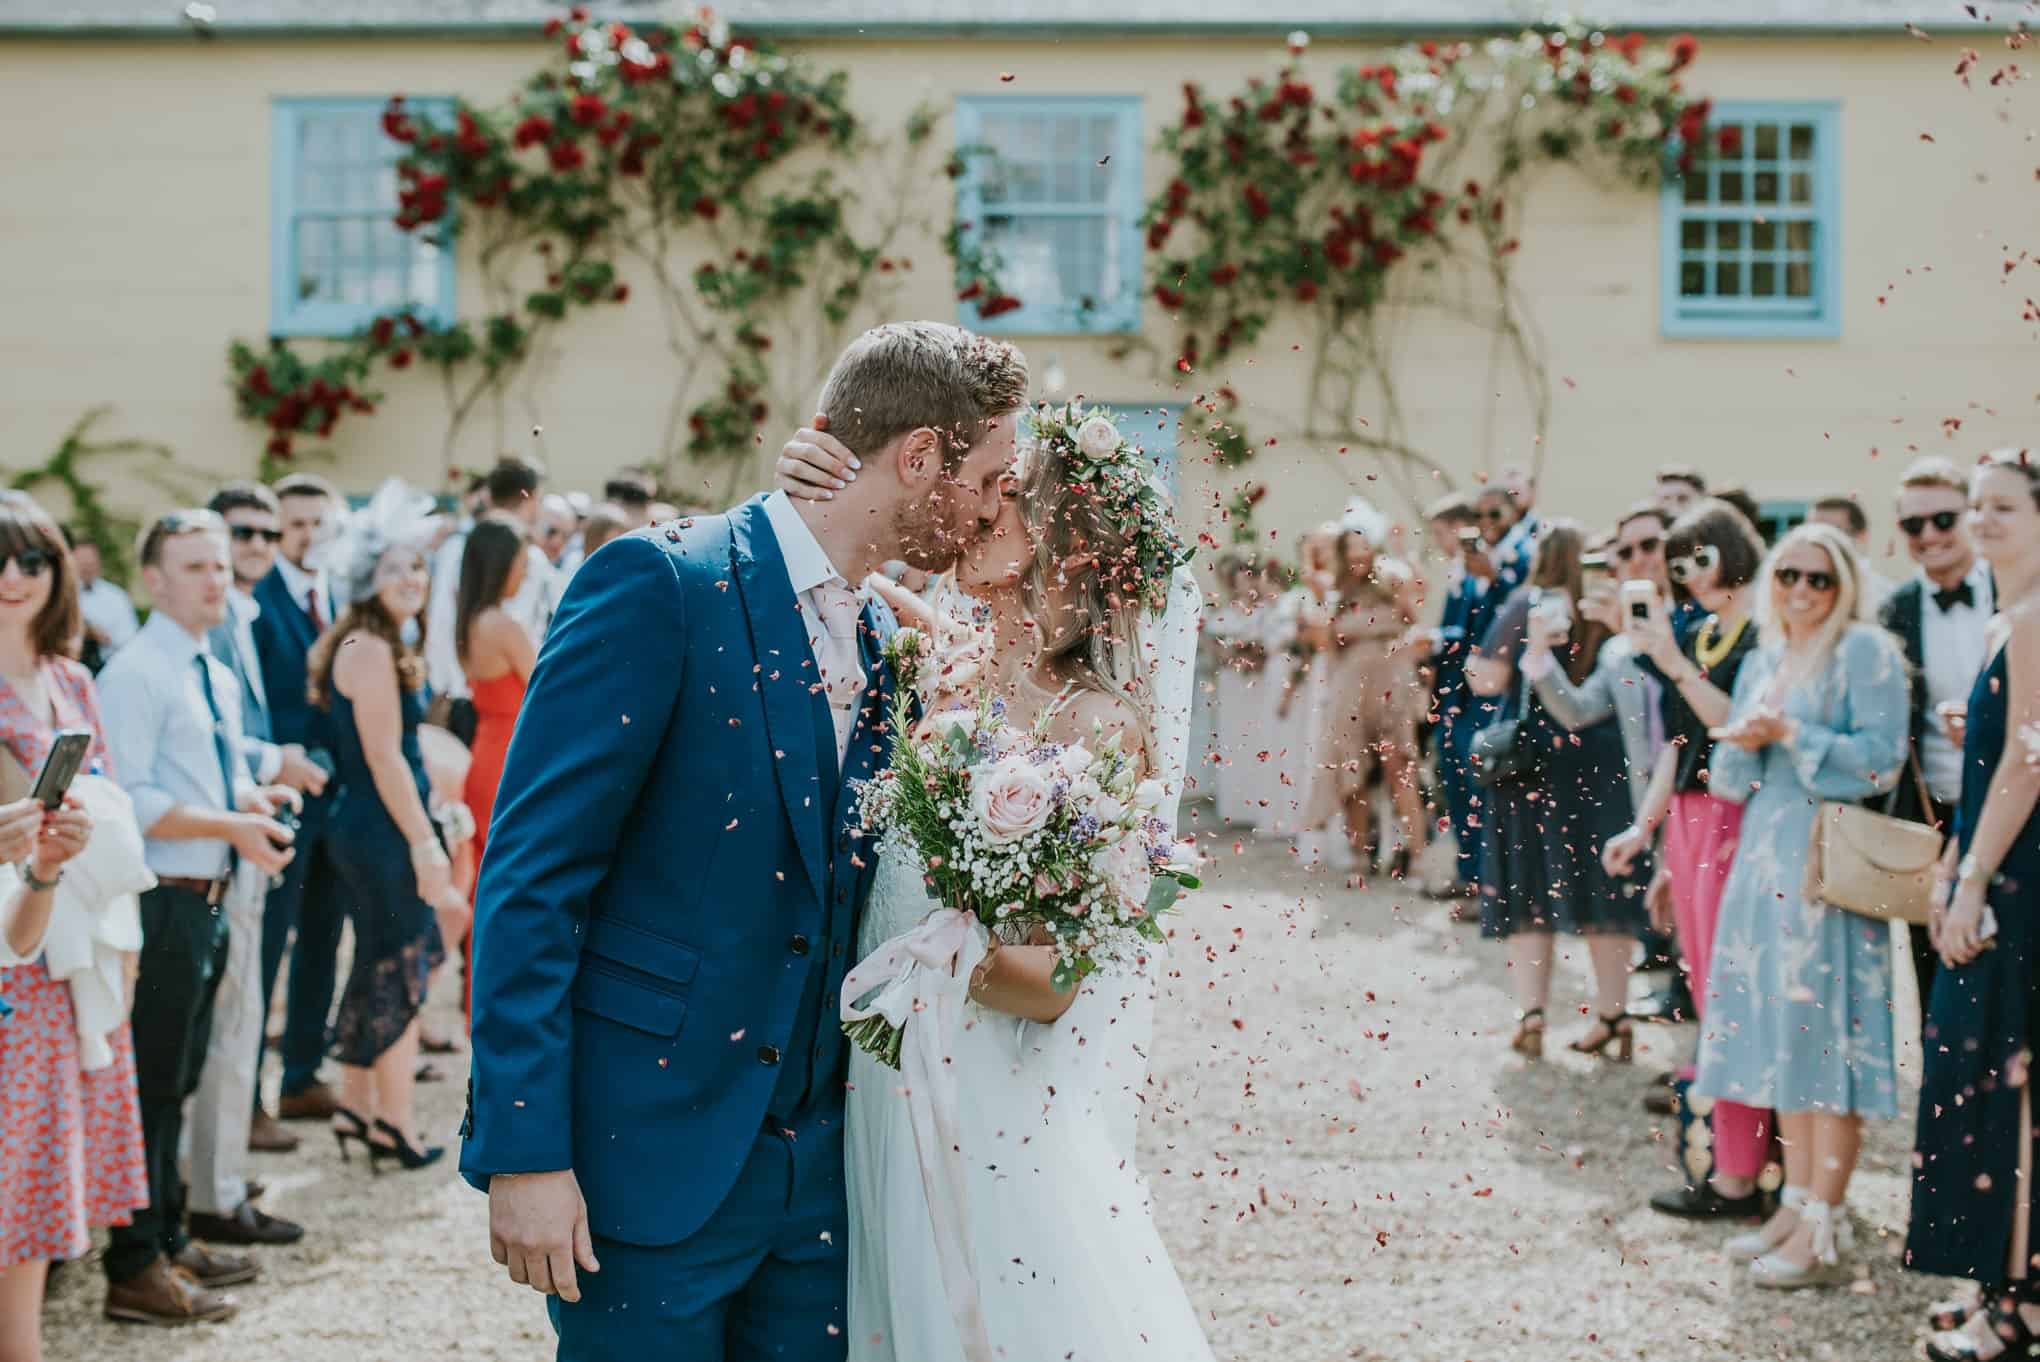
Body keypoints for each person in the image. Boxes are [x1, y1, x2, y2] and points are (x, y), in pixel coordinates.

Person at [464, 322, 1024, 1357]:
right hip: (649, 1159)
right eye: (987, 479)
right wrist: (523, 1150)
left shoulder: (891, 638)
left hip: (821, 1190)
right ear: (919, 457)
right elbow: (532, 878)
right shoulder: (660, 584)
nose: (995, 507)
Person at [775, 398, 1215, 1360]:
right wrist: (816, 471)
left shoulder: (1096, 726)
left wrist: (938, 959)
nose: (972, 507)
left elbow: (1058, 985)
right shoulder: (946, 666)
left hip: (980, 1097)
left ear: (1062, 539)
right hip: (883, 1071)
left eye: (1003, 493)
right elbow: (822, 559)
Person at [97, 509, 299, 1325]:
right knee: (150, 1085)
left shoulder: (207, 668)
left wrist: (251, 799)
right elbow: (130, 799)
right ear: (152, 579)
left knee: (179, 1080)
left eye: (219, 565)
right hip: (161, 902)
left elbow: (204, 774)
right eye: (195, 567)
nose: (217, 579)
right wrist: (232, 825)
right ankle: (133, 1265)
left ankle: (172, 1238)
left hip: (207, 898)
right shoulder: (136, 672)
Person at [1694, 522, 1908, 1289]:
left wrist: (1794, 731)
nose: (1802, 591)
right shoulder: (1764, 655)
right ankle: (1793, 1206)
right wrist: (1748, 740)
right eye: (1788, 575)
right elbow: (1728, 778)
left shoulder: (1865, 651)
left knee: (1827, 1048)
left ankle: (1824, 1222)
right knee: (1782, 1040)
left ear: (1845, 584)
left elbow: (1881, 762)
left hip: (1828, 865)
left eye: (1819, 578)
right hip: (1765, 857)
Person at [0, 496, 148, 1355]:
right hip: (14, 956)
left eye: (31, 560)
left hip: (79, 944)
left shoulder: (72, 678)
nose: (12, 578)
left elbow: (115, 802)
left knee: (37, 1177)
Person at [1602, 499, 1775, 1219]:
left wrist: (1672, 664)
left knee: (1739, 989)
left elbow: (1734, 727)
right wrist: (1645, 831)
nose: (1689, 575)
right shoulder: (1699, 633)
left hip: (1741, 818)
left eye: (1699, 558)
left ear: (1732, 551)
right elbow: (1678, 746)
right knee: (1707, 988)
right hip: (1688, 820)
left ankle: (1749, 1171)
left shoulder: (1762, 635)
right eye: (1678, 566)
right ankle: (1731, 1163)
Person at [1904, 452, 2040, 1361]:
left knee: (2009, 1084)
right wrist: (1951, 863)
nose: (1983, 520)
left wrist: (1974, 881)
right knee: (1980, 1074)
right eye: (1977, 505)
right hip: (1994, 858)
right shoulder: (2006, 619)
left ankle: (2022, 1305)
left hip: (2021, 884)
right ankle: (1998, 1276)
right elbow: (1998, 761)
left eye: (2004, 507)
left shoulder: (2032, 620)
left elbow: (2030, 768)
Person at [308, 483, 466, 1173]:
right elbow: (383, 757)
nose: (412, 578)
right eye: (395, 567)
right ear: (366, 577)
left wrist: (438, 811)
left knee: (377, 962)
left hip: (375, 823)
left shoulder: (375, 640)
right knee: (403, 965)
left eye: (419, 567)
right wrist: (425, 841)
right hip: (380, 830)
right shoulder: (370, 647)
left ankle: (355, 1107)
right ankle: (393, 1124)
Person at [179, 483, 322, 1247]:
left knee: (241, 1021)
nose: (259, 545)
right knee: (224, 1027)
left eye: (269, 533)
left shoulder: (242, 613)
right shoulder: (203, 628)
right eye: (245, 533)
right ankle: (208, 1190)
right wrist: (272, 764)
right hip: (211, 850)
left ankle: (219, 1176)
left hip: (252, 828)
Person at [1469, 521, 1646, 1059]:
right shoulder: (1613, 609)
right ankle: (1615, 1016)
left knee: (1530, 889)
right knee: (1604, 891)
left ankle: (1532, 1013)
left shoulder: (1528, 604)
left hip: (1535, 764)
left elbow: (1487, 679)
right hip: (1603, 761)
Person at [1879, 456, 1993, 1026]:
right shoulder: (1892, 609)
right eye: (1912, 524)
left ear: (1971, 516)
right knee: (1933, 971)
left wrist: (1989, 724)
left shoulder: (2017, 593)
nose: (1928, 535)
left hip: (2013, 806)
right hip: (1929, 816)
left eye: (1943, 519)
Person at [250, 472, 346, 1127]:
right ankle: (248, 1097)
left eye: (318, 523)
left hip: (335, 800)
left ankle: (302, 1075)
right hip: (282, 794)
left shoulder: (339, 594)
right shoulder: (257, 603)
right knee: (267, 945)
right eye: (296, 525)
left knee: (323, 937)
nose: (308, 536)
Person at [1296, 502, 1427, 885]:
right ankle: (1360, 857)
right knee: (1351, 773)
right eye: (1350, 550)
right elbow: (1323, 642)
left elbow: (1414, 619)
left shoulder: (1392, 579)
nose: (1357, 557)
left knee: (1399, 769)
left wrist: (1403, 554)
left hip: (1391, 682)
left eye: (1362, 548)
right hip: (1349, 686)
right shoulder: (1333, 592)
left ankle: (1417, 856)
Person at [454, 513, 537, 1017]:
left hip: (484, 751)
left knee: (485, 882)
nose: (525, 574)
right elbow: (545, 684)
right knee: (499, 883)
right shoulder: (502, 624)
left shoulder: (470, 619)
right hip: (508, 754)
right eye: (521, 564)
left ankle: (475, 1002)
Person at [426, 457, 555, 714]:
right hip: (510, 692)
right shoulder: (531, 558)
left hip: (466, 688)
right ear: (530, 498)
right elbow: (526, 626)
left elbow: (440, 620)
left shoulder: (456, 546)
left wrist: (446, 685)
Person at [1419, 493, 1481, 898]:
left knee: (1471, 789)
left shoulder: (1476, 573)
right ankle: (1465, 870)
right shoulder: (1459, 572)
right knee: (1454, 786)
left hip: (1471, 695)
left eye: (1440, 533)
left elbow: (1474, 631)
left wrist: (1435, 640)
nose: (1437, 542)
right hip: (1450, 694)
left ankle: (1479, 878)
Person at [1205, 555, 1268, 829]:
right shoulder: (1224, 614)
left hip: (1258, 681)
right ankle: (1235, 806)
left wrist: (1254, 656)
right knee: (1233, 738)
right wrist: (1231, 657)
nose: (1246, 585)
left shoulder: (1265, 613)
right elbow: (1213, 647)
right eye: (1241, 580)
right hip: (1232, 682)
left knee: (1258, 739)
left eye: (1250, 579)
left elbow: (1270, 646)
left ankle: (1259, 805)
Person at [67, 533, 139, 670]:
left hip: (109, 666)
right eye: (82, 564)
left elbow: (130, 641)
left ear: (99, 563)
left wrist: (102, 636)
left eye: (91, 563)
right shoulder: (60, 595)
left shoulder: (116, 596)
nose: (87, 568)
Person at [1810, 493, 1894, 609]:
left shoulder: (1886, 597)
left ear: (1861, 536)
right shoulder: (1795, 590)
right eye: (1811, 533)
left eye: (1833, 534)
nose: (1821, 542)